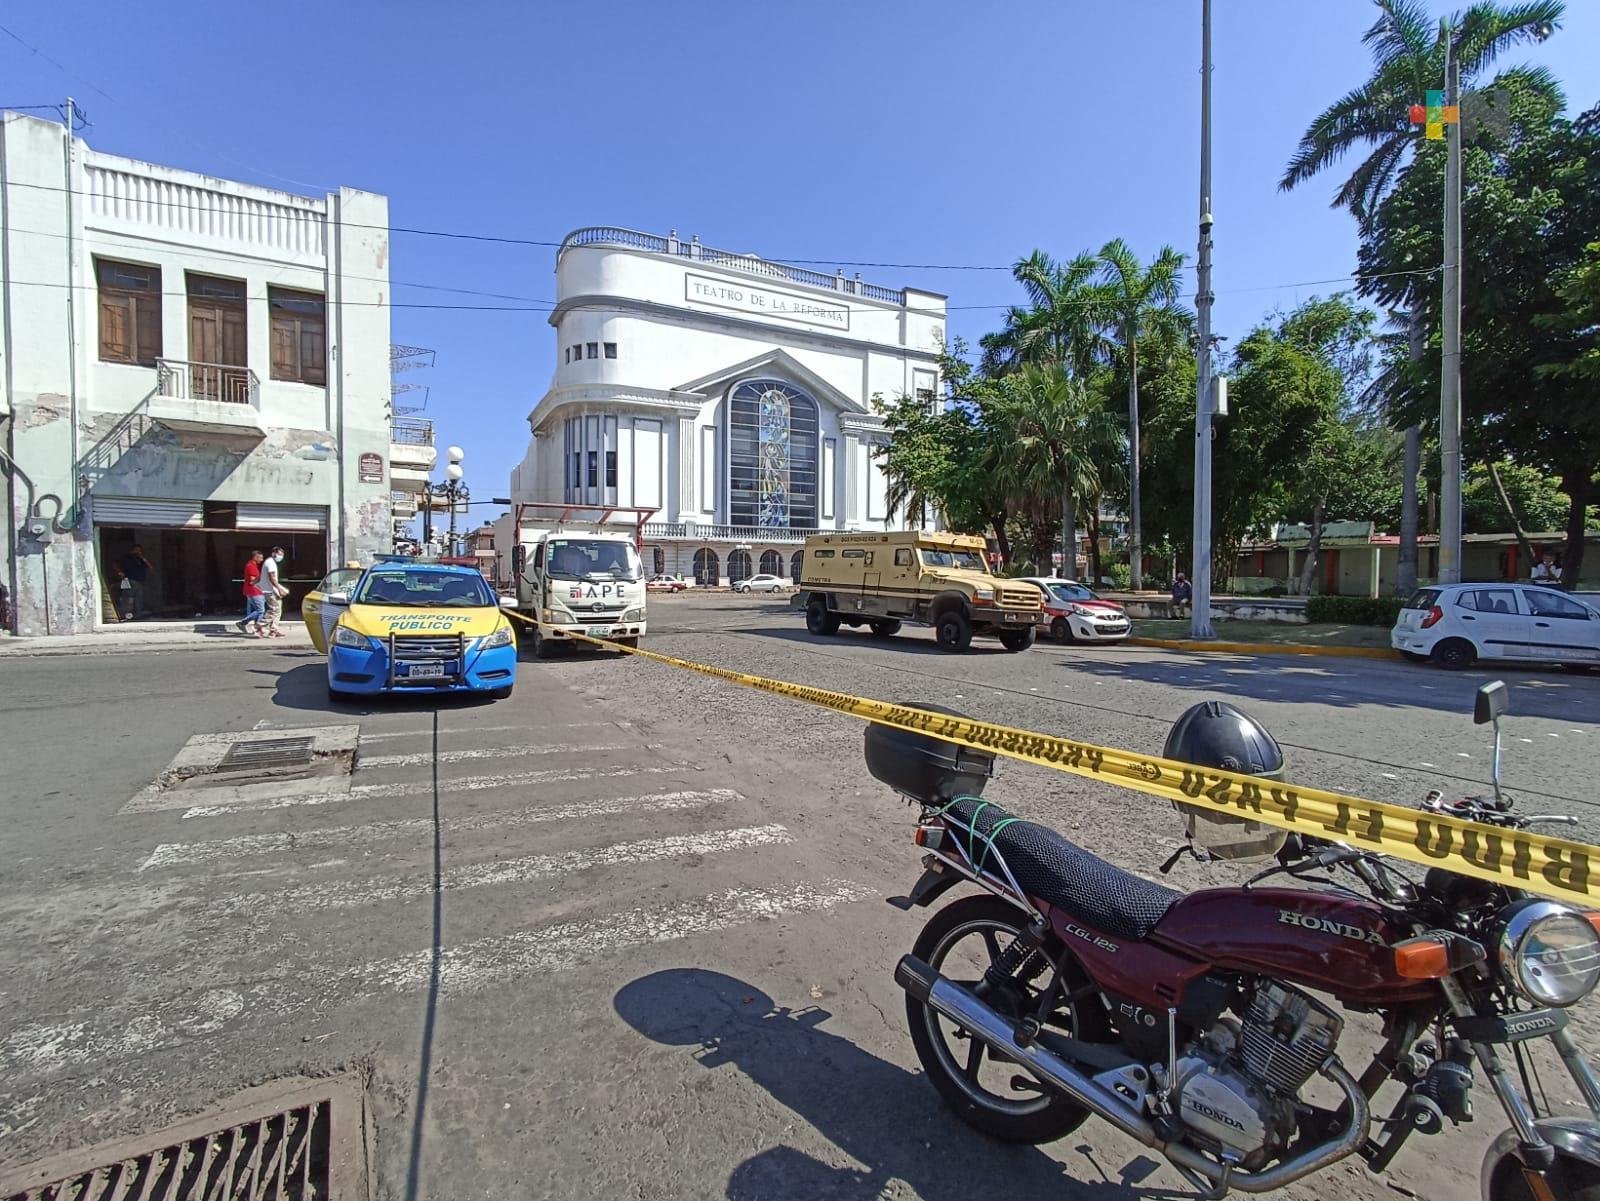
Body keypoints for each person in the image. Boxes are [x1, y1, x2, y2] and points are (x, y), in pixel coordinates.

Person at [260, 546, 290, 638]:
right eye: (279, 554)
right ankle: (259, 625)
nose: (281, 556)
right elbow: (271, 578)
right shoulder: (270, 563)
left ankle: (273, 630)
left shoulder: (270, 562)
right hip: (270, 590)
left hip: (270, 589)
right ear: (274, 554)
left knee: (278, 610)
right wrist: (280, 589)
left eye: (282, 555)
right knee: (274, 610)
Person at [118, 543, 152, 619]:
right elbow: (115, 565)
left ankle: (138, 615)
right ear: (132, 550)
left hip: (139, 582)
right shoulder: (126, 557)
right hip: (129, 580)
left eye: (140, 550)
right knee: (127, 598)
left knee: (139, 599)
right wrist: (119, 572)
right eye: (136, 550)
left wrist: (143, 558)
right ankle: (123, 615)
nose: (138, 552)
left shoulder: (140, 559)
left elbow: (151, 568)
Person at [237, 549, 266, 636]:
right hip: (254, 591)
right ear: (255, 557)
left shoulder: (252, 565)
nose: (262, 560)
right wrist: (263, 576)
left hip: (253, 591)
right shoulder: (251, 566)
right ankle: (243, 623)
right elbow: (253, 581)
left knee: (258, 610)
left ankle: (256, 627)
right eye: (260, 558)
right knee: (261, 610)